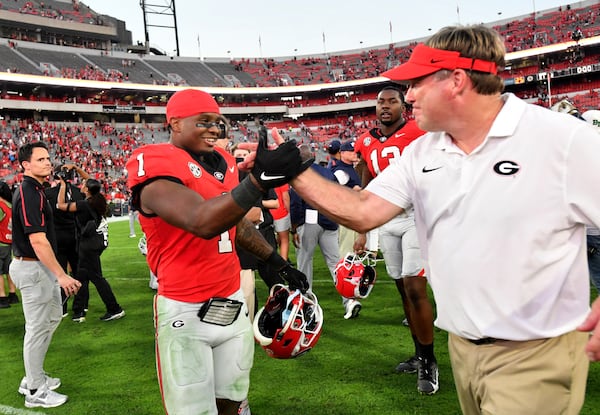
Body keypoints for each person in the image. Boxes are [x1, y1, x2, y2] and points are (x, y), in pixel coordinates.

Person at [240, 25, 600, 415]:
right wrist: (294, 171)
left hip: (537, 351)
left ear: (456, 80)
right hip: (462, 346)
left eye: (416, 83)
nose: (408, 96)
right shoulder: (423, 151)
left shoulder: (561, 139)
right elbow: (363, 212)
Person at [125, 89, 308, 415]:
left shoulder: (222, 162)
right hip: (185, 310)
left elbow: (233, 223)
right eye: (204, 122)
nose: (214, 129)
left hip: (232, 302)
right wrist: (258, 181)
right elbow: (202, 221)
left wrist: (277, 262)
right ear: (176, 124)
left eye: (217, 122)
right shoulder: (153, 162)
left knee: (233, 403)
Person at [353, 85, 438, 395]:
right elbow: (367, 185)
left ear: (404, 107)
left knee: (415, 286)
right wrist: (362, 228)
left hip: (416, 215)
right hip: (388, 219)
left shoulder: (421, 132)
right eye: (380, 102)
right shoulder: (366, 140)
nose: (385, 106)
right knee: (402, 288)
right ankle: (419, 354)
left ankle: (429, 361)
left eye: (392, 101)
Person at [10, 142, 81, 409]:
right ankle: (35, 390)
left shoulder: (36, 190)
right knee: (37, 329)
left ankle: (34, 376)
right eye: (41, 159)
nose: (48, 162)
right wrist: (61, 275)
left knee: (51, 319)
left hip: (38, 268)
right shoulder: (29, 191)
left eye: (48, 158)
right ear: (26, 165)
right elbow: (38, 240)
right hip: (32, 267)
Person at [56, 175, 125, 323]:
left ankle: (114, 308)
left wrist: (62, 186)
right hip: (93, 243)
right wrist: (76, 168)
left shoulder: (84, 204)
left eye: (84, 184)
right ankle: (79, 311)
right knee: (81, 276)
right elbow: (93, 182)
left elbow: (60, 205)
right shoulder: (97, 200)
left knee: (97, 278)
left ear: (87, 189)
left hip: (88, 246)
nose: (82, 184)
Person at [290, 145, 348, 316]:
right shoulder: (329, 173)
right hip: (329, 221)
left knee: (304, 263)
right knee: (335, 263)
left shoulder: (300, 174)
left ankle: (306, 305)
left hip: (309, 221)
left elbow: (295, 203)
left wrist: (294, 228)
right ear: (313, 156)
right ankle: (349, 300)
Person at [44, 164, 87, 317]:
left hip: (58, 237)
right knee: (78, 272)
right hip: (75, 236)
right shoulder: (78, 192)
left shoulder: (47, 193)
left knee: (60, 274)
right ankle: (80, 309)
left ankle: (62, 307)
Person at [330, 140, 361, 258]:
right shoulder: (341, 170)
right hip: (346, 212)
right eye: (351, 151)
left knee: (353, 248)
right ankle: (346, 273)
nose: (354, 153)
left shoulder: (348, 167)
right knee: (347, 248)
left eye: (355, 151)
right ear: (342, 153)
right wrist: (352, 191)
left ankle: (352, 272)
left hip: (353, 211)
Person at [0, 180, 17, 308]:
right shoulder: (10, 205)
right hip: (9, 240)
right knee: (8, 270)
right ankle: (12, 294)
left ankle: (2, 297)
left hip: (0, 242)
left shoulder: (0, 205)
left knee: (0, 272)